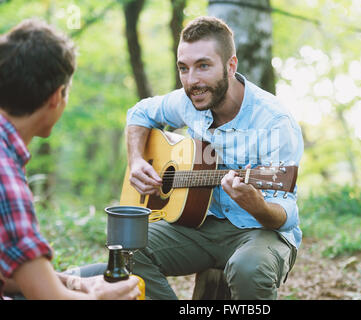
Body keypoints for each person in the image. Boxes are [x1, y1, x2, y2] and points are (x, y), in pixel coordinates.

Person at [126, 16, 304, 300]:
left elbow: (286, 213)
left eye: (203, 66)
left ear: (231, 66)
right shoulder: (188, 103)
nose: (192, 80)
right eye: (184, 68)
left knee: (249, 268)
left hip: (258, 231)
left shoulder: (274, 121)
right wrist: (137, 160)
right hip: (200, 225)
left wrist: (257, 206)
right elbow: (139, 113)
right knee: (127, 246)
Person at [0, 19, 140, 300]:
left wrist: (77, 283)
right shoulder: (6, 175)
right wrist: (98, 297)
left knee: (100, 273)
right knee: (124, 288)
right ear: (56, 97)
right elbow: (49, 297)